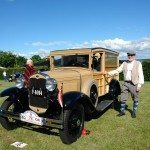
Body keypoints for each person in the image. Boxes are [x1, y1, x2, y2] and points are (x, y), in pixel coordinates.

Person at [107, 50, 144, 118]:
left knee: (135, 98)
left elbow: (141, 74)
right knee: (123, 98)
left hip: (134, 83)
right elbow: (118, 70)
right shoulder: (124, 63)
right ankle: (122, 111)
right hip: (126, 83)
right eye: (128, 55)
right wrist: (108, 73)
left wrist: (139, 85)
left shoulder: (138, 63)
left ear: (134, 56)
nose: (130, 56)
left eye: (131, 55)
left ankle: (134, 112)